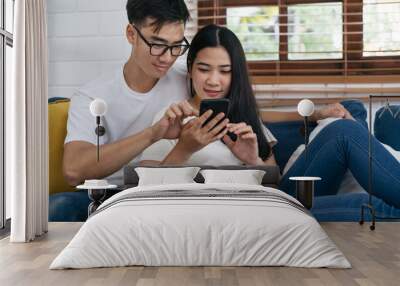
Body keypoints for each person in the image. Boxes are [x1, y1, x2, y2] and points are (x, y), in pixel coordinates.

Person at [140, 24, 400, 216]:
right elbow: (144, 189)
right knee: (375, 204)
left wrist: (252, 160)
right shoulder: (173, 118)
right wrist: (184, 148)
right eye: (204, 69)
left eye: (225, 71)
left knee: (346, 133)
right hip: (247, 210)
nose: (213, 80)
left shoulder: (244, 115)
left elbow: (273, 182)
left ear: (236, 74)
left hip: (276, 199)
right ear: (191, 67)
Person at [50, 0, 203, 221]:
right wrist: (152, 134)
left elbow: (235, 99)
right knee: (59, 207)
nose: (168, 57)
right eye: (157, 44)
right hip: (111, 195)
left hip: (173, 189)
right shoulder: (92, 95)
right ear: (131, 34)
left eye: (176, 46)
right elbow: (74, 171)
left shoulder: (188, 80)